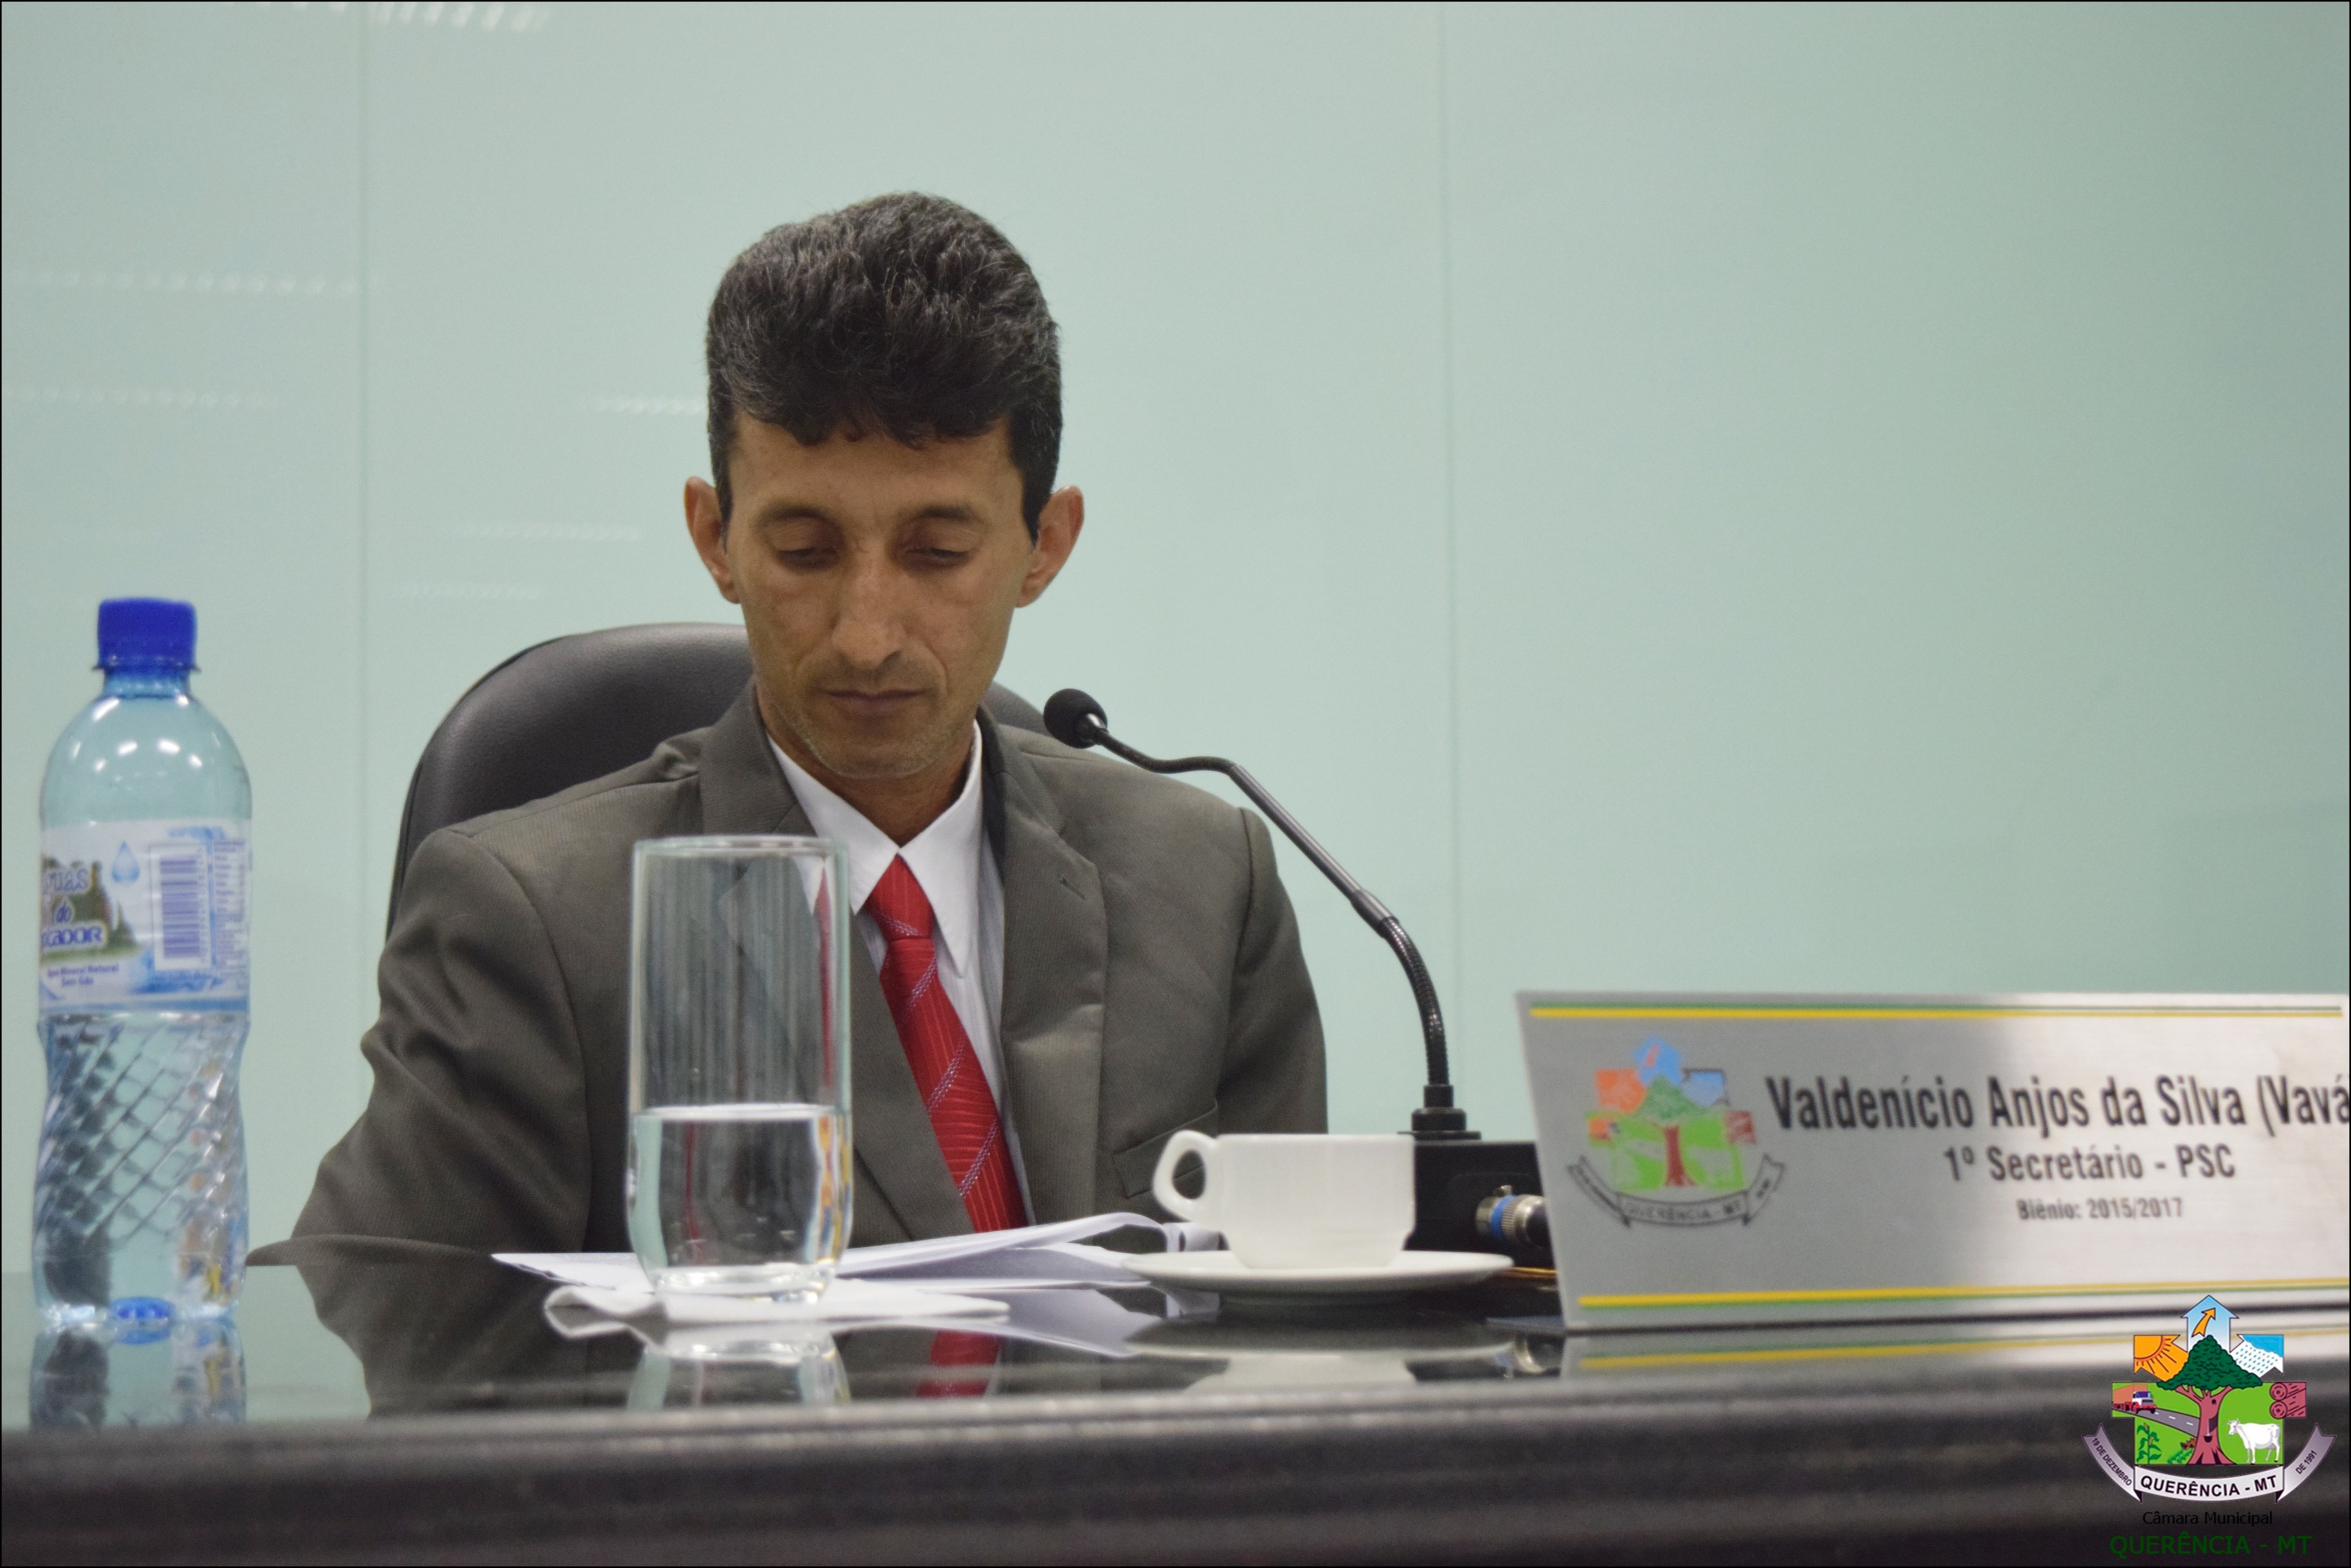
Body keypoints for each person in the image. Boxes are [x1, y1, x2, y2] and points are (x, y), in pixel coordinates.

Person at [284, 194, 1327, 1251]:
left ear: (1045, 546)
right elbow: (359, 1309)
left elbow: (1298, 1303)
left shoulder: (1205, 885)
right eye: (805, 551)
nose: (867, 636)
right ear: (716, 538)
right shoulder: (535, 922)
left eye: (937, 553)